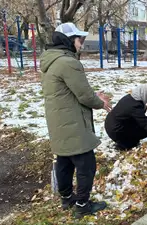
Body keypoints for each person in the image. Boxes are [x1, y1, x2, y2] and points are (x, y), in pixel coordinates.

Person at [40, 22, 111, 218]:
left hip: (58, 121)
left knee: (64, 159)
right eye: (79, 40)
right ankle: (82, 204)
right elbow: (84, 96)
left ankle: (66, 198)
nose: (81, 44)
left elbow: (65, 92)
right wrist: (100, 102)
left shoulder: (50, 61)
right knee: (86, 163)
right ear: (70, 41)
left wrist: (91, 94)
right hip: (73, 122)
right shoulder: (69, 63)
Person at [105, 83, 147, 150]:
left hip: (111, 124)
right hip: (116, 131)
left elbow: (132, 111)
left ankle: (124, 141)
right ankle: (125, 144)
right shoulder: (135, 106)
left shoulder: (130, 98)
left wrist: (146, 107)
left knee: (138, 125)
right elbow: (146, 124)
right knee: (145, 131)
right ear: (144, 95)